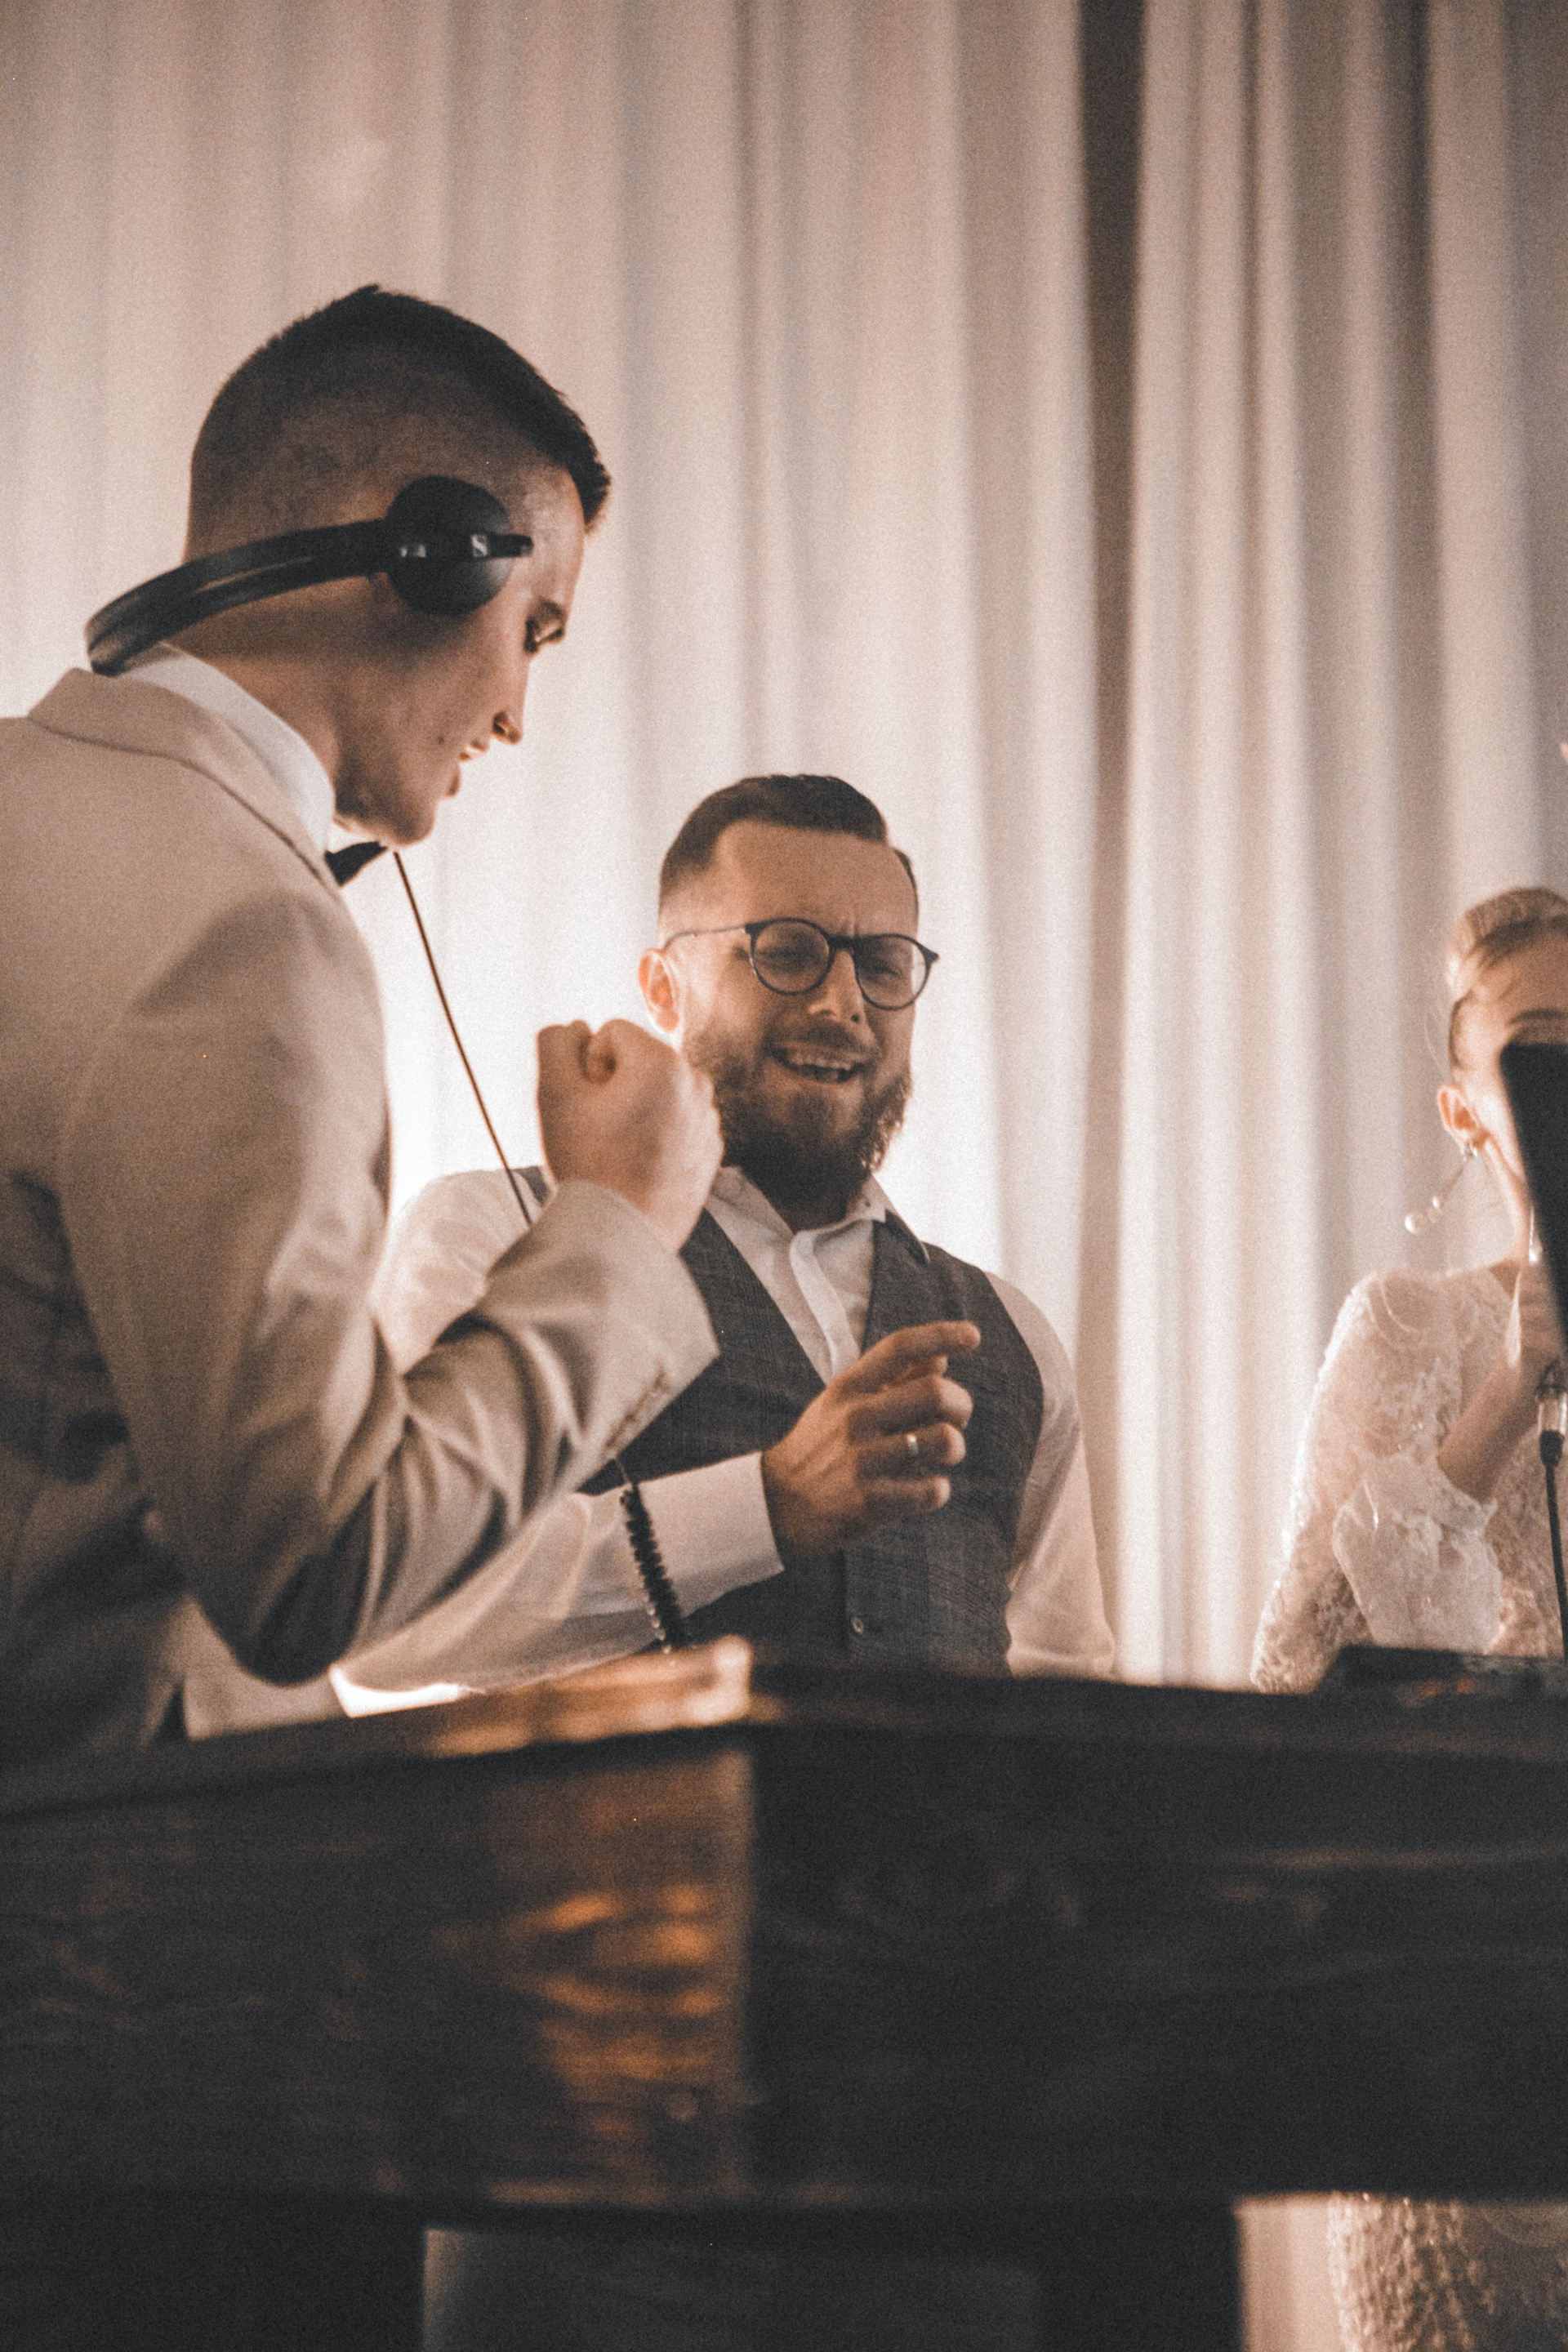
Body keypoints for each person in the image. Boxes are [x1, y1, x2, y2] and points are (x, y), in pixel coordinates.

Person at [339, 773, 1113, 2352]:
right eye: (786, 951)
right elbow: (389, 1622)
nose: (842, 1003)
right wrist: (760, 1506)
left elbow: (1069, 1710)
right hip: (569, 2119)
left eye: (882, 962)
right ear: (662, 979)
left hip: (935, 2147)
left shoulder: (1013, 1335)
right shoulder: (496, 1236)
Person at [0, 284, 724, 1774]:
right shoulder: (240, 929)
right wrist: (615, 1226)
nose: (515, 715)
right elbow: (308, 1568)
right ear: (426, 559)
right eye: (535, 631)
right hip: (95, 1870)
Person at [1253, 885, 1568, 2351]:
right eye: (1543, 1048)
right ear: (1466, 1108)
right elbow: (1302, 1676)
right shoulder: (1406, 1328)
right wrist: (1509, 1395)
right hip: (1460, 2040)